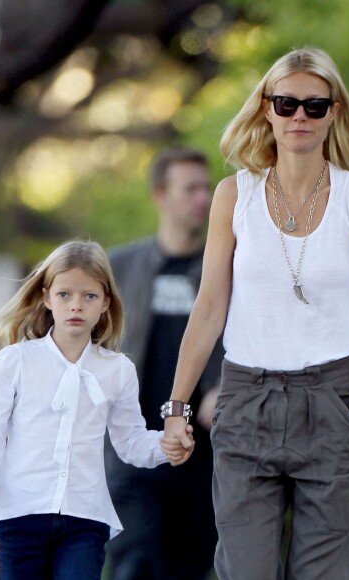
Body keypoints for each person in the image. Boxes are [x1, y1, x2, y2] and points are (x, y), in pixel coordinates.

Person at [163, 47, 349, 580]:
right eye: (287, 103)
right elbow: (209, 308)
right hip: (247, 400)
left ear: (333, 112)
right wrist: (176, 406)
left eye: (315, 106)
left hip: (335, 400)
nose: (299, 117)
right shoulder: (233, 196)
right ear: (266, 108)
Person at [0, 240, 188, 580]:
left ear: (105, 302)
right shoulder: (15, 361)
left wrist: (167, 445)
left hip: (84, 521)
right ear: (48, 297)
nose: (76, 305)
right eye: (65, 294)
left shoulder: (118, 370)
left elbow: (130, 442)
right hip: (20, 517)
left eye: (89, 296)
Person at [104, 148, 223, 580]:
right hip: (133, 451)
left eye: (205, 187)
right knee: (135, 561)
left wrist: (222, 387)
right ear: (160, 195)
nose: (203, 198)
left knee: (191, 567)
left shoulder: (226, 270)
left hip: (203, 455)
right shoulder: (118, 268)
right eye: (190, 188)